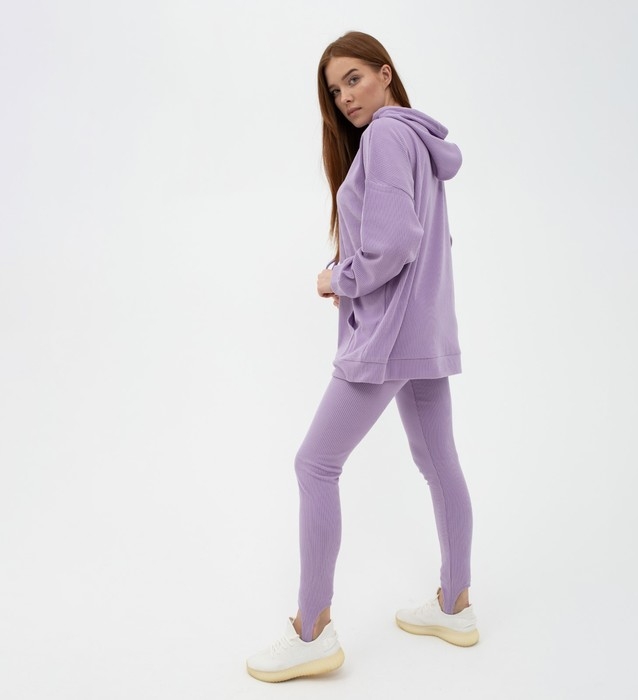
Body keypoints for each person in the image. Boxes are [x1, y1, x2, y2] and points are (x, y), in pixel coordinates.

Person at [246, 30, 477, 683]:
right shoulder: (419, 141)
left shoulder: (384, 136)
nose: (345, 97)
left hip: (390, 339)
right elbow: (424, 241)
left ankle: (311, 632)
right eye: (334, 89)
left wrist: (338, 278)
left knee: (315, 464)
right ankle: (455, 606)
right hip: (425, 333)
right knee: (439, 464)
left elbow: (396, 244)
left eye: (353, 78)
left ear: (385, 73)